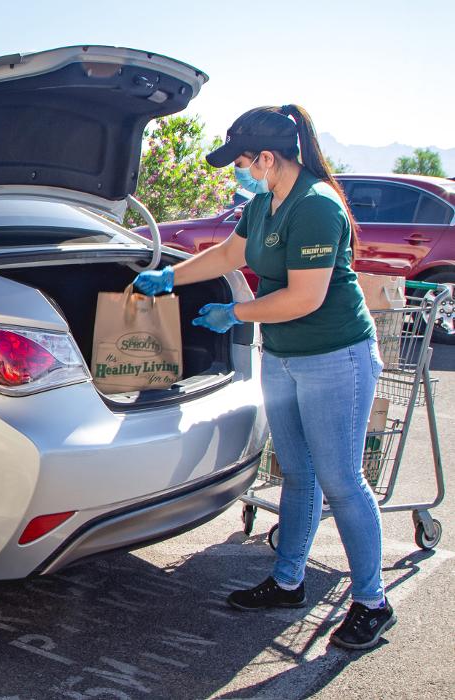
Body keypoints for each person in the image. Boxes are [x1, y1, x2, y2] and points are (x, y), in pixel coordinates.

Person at [134, 105, 393, 651]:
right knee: (298, 474)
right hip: (283, 356)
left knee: (342, 481)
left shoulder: (316, 206)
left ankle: (372, 602)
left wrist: (236, 313)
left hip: (335, 358)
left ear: (268, 159)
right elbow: (229, 253)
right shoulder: (263, 203)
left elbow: (305, 297)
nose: (240, 172)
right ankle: (288, 582)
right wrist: (171, 276)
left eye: (242, 162)